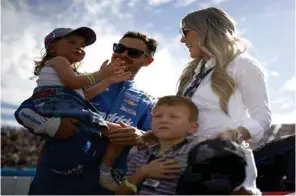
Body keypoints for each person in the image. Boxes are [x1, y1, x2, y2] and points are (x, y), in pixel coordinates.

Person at [14, 31, 158, 194]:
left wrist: (139, 136)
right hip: (53, 183)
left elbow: (159, 140)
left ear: (148, 61)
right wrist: (52, 126)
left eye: (133, 53)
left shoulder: (150, 102)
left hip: (105, 189)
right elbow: (26, 110)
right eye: (119, 48)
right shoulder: (78, 79)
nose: (123, 54)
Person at [176, 7, 271, 194]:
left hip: (227, 165)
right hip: (187, 165)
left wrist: (233, 135)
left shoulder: (243, 64)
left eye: (185, 32)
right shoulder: (191, 75)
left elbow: (262, 117)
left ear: (206, 30)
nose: (181, 40)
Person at [116, 95, 199, 195]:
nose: (163, 120)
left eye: (173, 116)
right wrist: (142, 173)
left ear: (192, 127)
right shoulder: (141, 155)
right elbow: (121, 192)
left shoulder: (196, 155)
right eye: (158, 116)